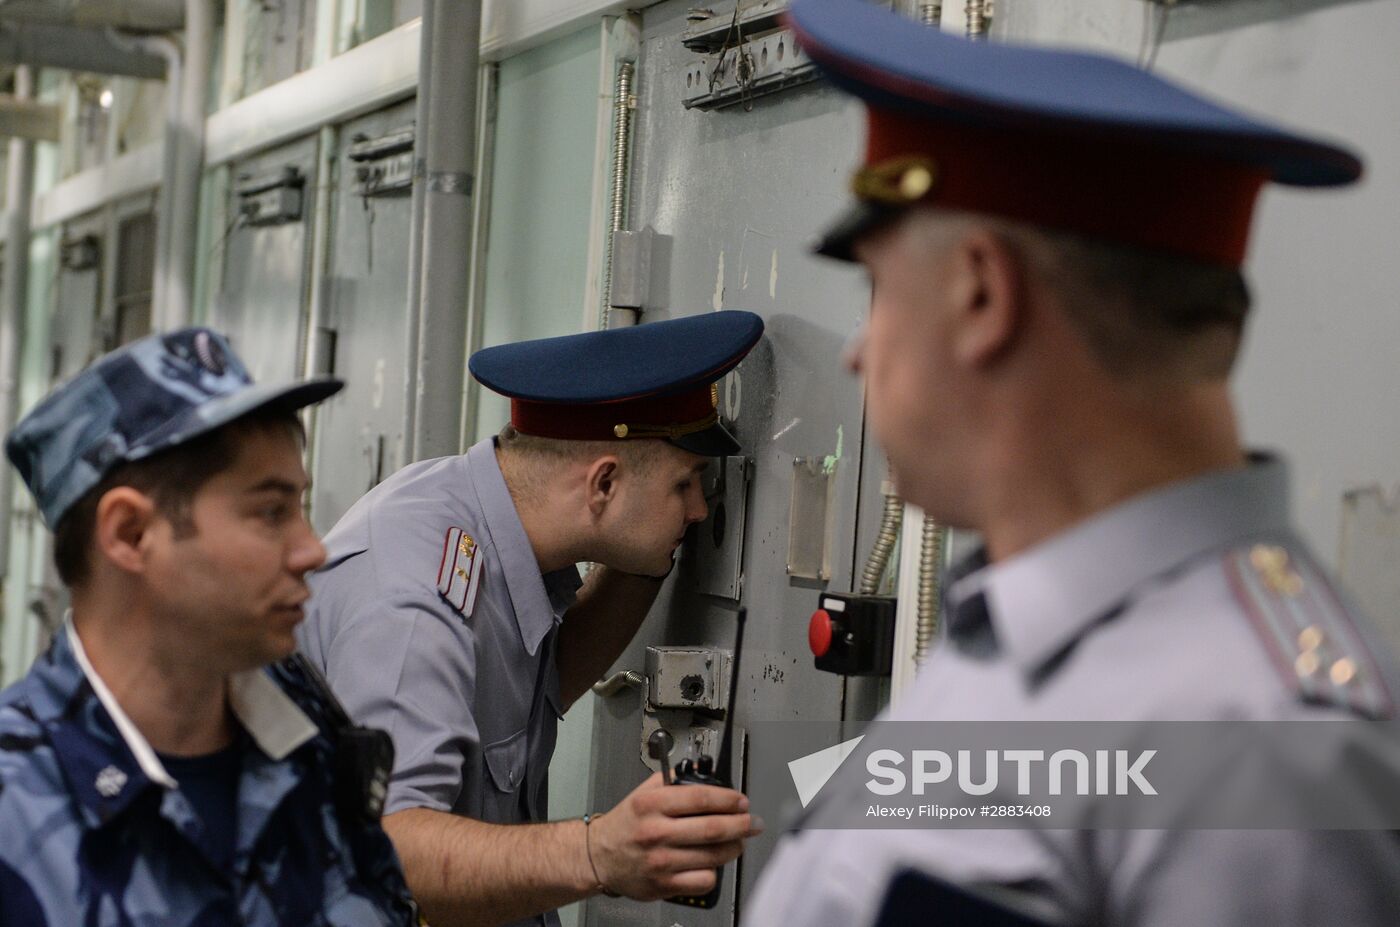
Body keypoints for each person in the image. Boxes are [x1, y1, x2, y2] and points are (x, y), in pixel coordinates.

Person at [744, 1, 1400, 924]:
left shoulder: (1257, 750)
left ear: (982, 293)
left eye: (879, 290)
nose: (858, 350)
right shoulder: (1012, 627)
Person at [297, 310, 766, 926]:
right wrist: (600, 853)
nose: (701, 509)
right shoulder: (414, 602)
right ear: (602, 485)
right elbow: (392, 851)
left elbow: (536, 689)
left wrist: (645, 550)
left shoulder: (488, 518)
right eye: (686, 484)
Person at [0, 328, 417, 925]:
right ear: (130, 534)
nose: (311, 551)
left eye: (299, 506)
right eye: (271, 512)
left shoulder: (314, 748)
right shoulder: (17, 804)